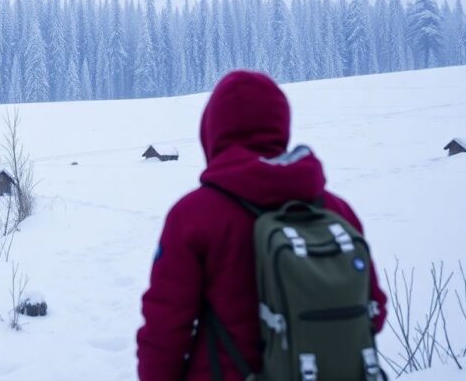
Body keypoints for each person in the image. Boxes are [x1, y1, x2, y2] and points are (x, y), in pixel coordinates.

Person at [136, 70, 387, 381]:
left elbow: (164, 330)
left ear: (212, 132)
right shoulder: (335, 209)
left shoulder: (194, 215)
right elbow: (374, 310)